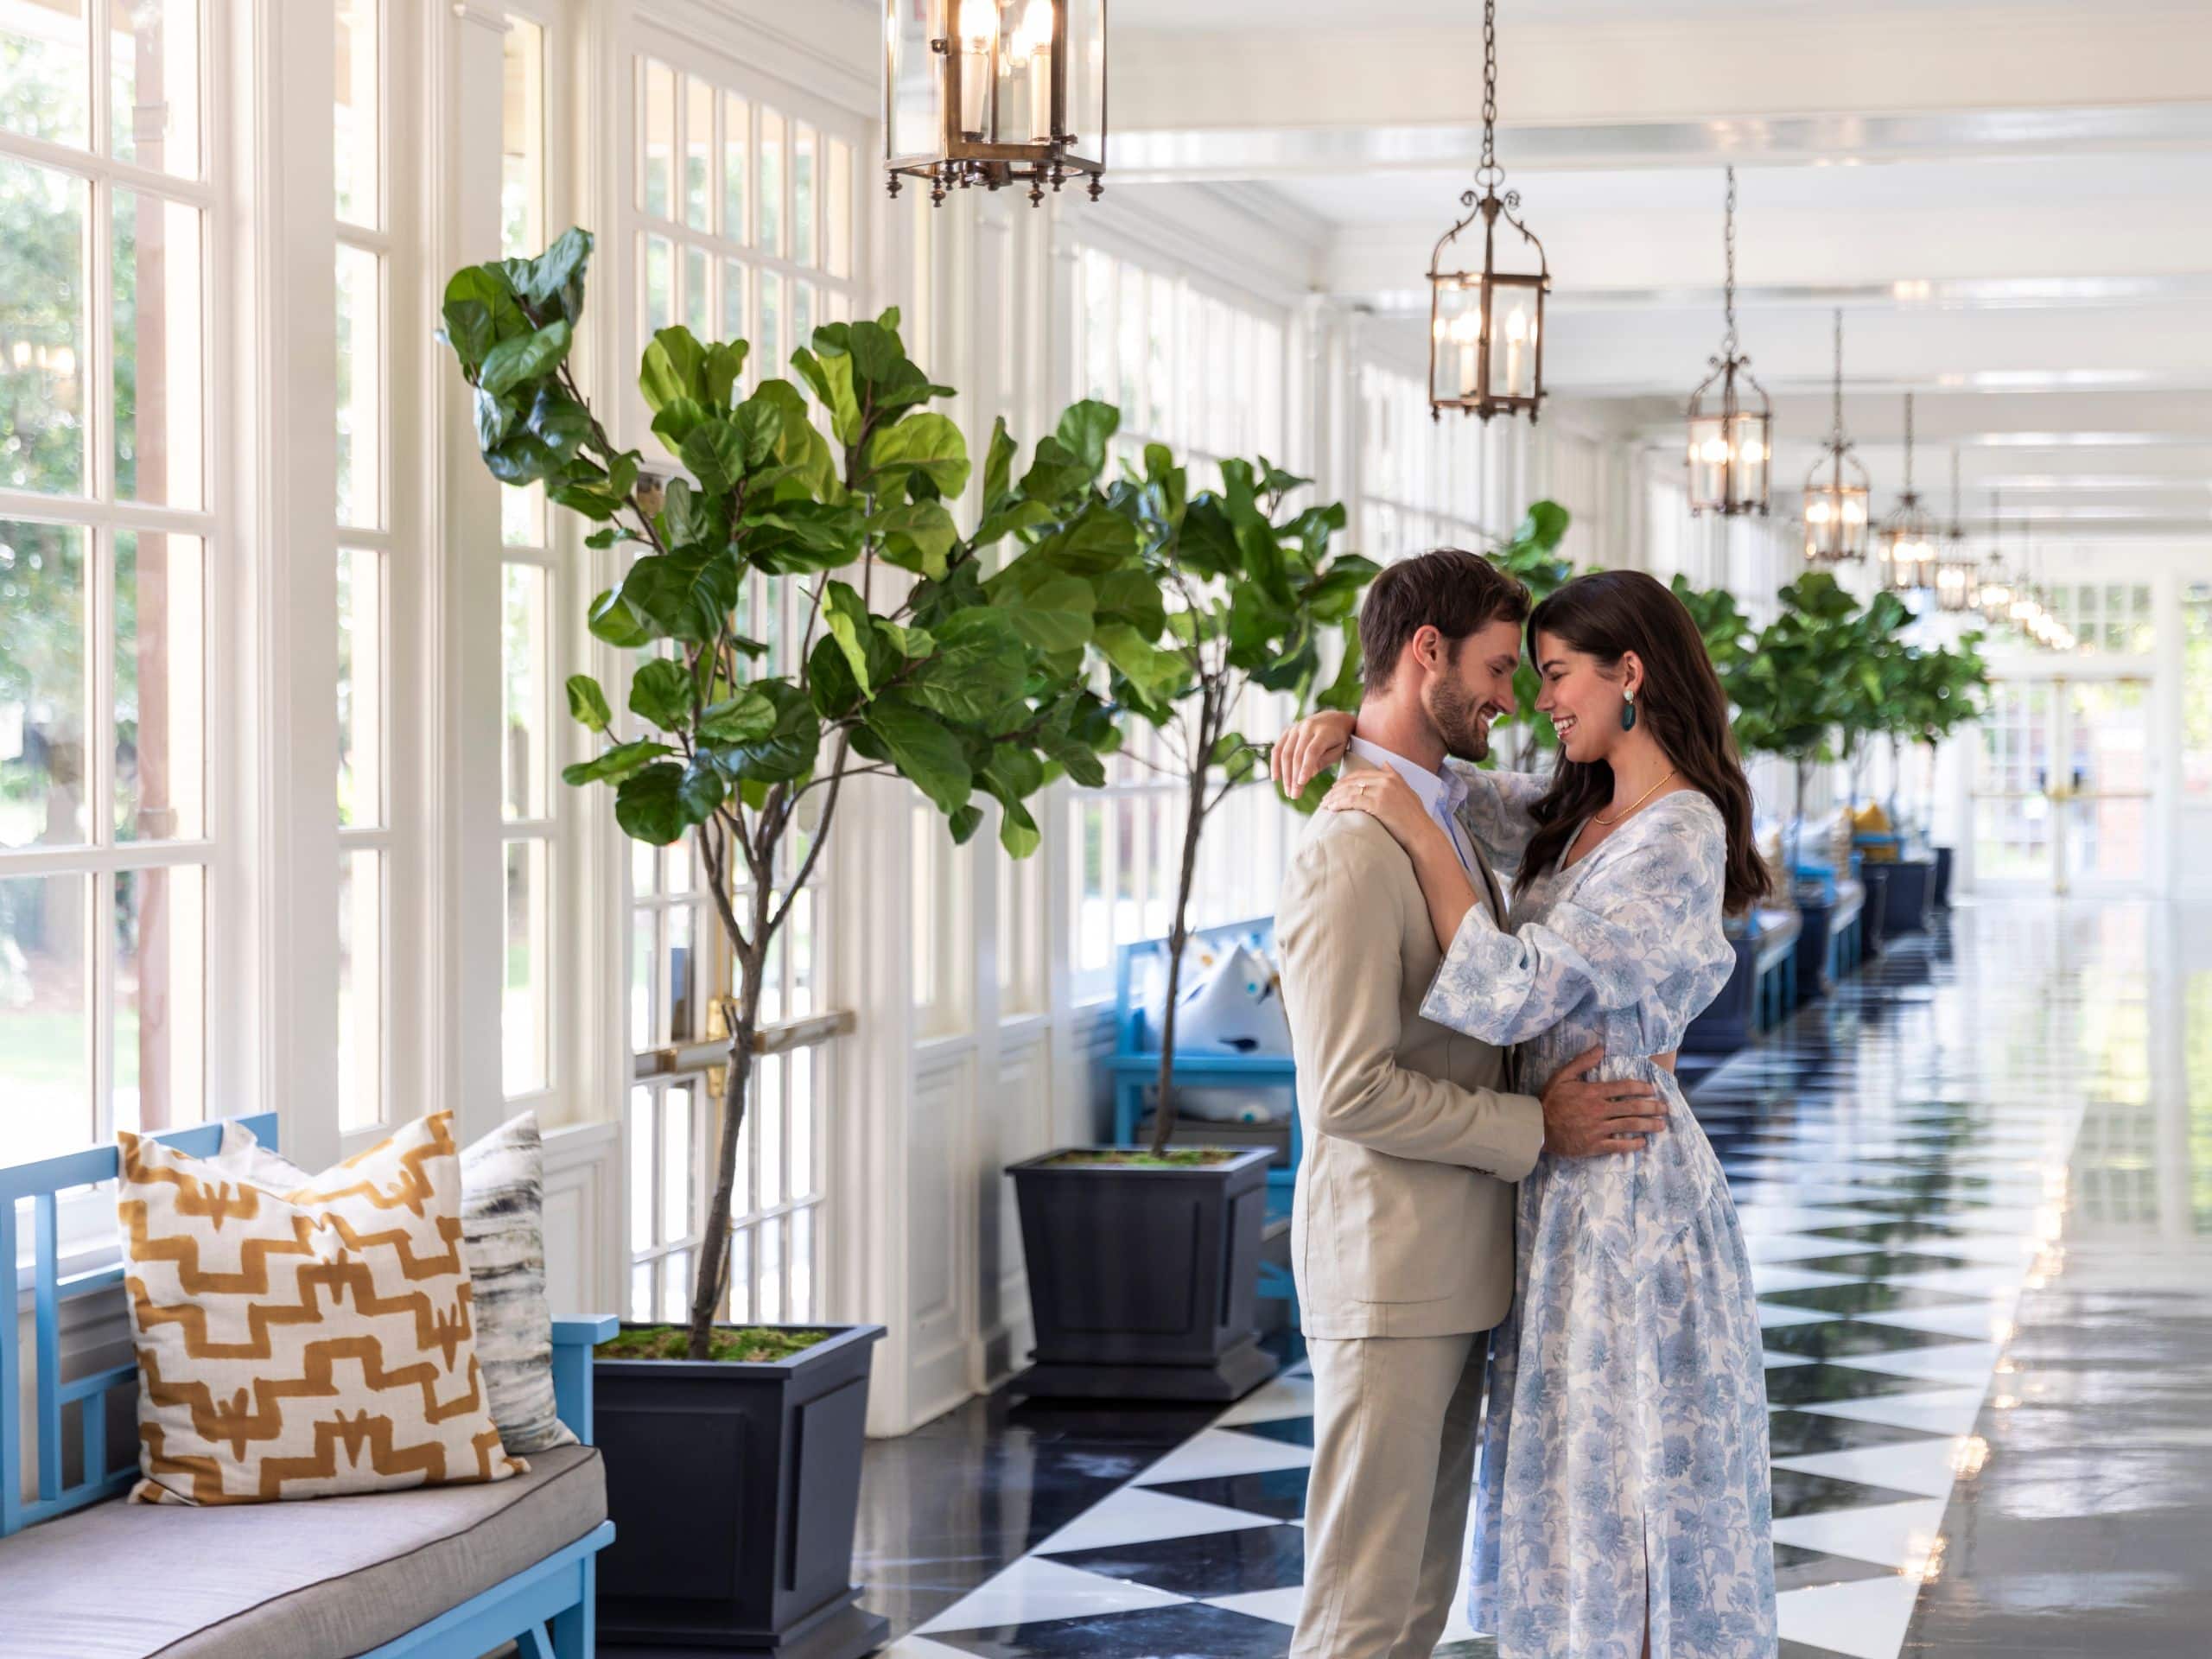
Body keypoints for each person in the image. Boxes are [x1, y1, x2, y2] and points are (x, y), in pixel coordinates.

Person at [1273, 566, 1778, 1659]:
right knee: (1560, 1499)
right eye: (1518, 671)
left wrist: (1405, 819)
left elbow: (1505, 983)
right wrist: (1344, 730)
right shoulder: (1577, 811)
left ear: (1628, 673)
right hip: (1542, 1195)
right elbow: (1438, 783)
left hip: (1622, 1192)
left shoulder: (1675, 832)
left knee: (1631, 1499)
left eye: (1549, 675)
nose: (1531, 701)